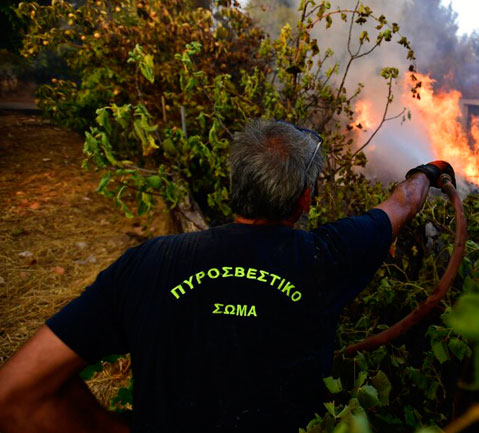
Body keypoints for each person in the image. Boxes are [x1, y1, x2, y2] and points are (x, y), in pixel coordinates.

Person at [0, 118, 456, 433]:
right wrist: (428, 171)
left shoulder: (147, 264)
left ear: (234, 184)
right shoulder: (326, 258)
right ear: (305, 201)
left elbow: (15, 395)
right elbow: (402, 203)